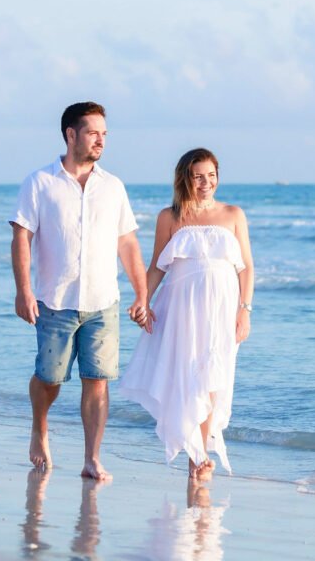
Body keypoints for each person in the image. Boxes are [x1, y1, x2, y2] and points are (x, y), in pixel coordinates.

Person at [9, 101, 149, 479]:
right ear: (71, 135)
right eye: (93, 133)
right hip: (55, 300)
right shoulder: (39, 182)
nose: (101, 140)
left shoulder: (113, 187)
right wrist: (23, 291)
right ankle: (40, 428)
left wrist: (142, 294)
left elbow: (128, 244)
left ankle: (92, 459)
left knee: (98, 380)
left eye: (104, 134)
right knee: (49, 378)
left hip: (103, 301)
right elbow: (22, 237)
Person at [119, 148, 254, 480]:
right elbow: (156, 268)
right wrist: (142, 299)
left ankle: (200, 454)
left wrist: (245, 310)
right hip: (180, 309)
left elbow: (246, 268)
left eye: (211, 176)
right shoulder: (170, 217)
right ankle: (196, 457)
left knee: (211, 379)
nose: (206, 183)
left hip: (222, 309)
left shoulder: (234, 214)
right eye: (198, 176)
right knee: (186, 376)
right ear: (185, 178)